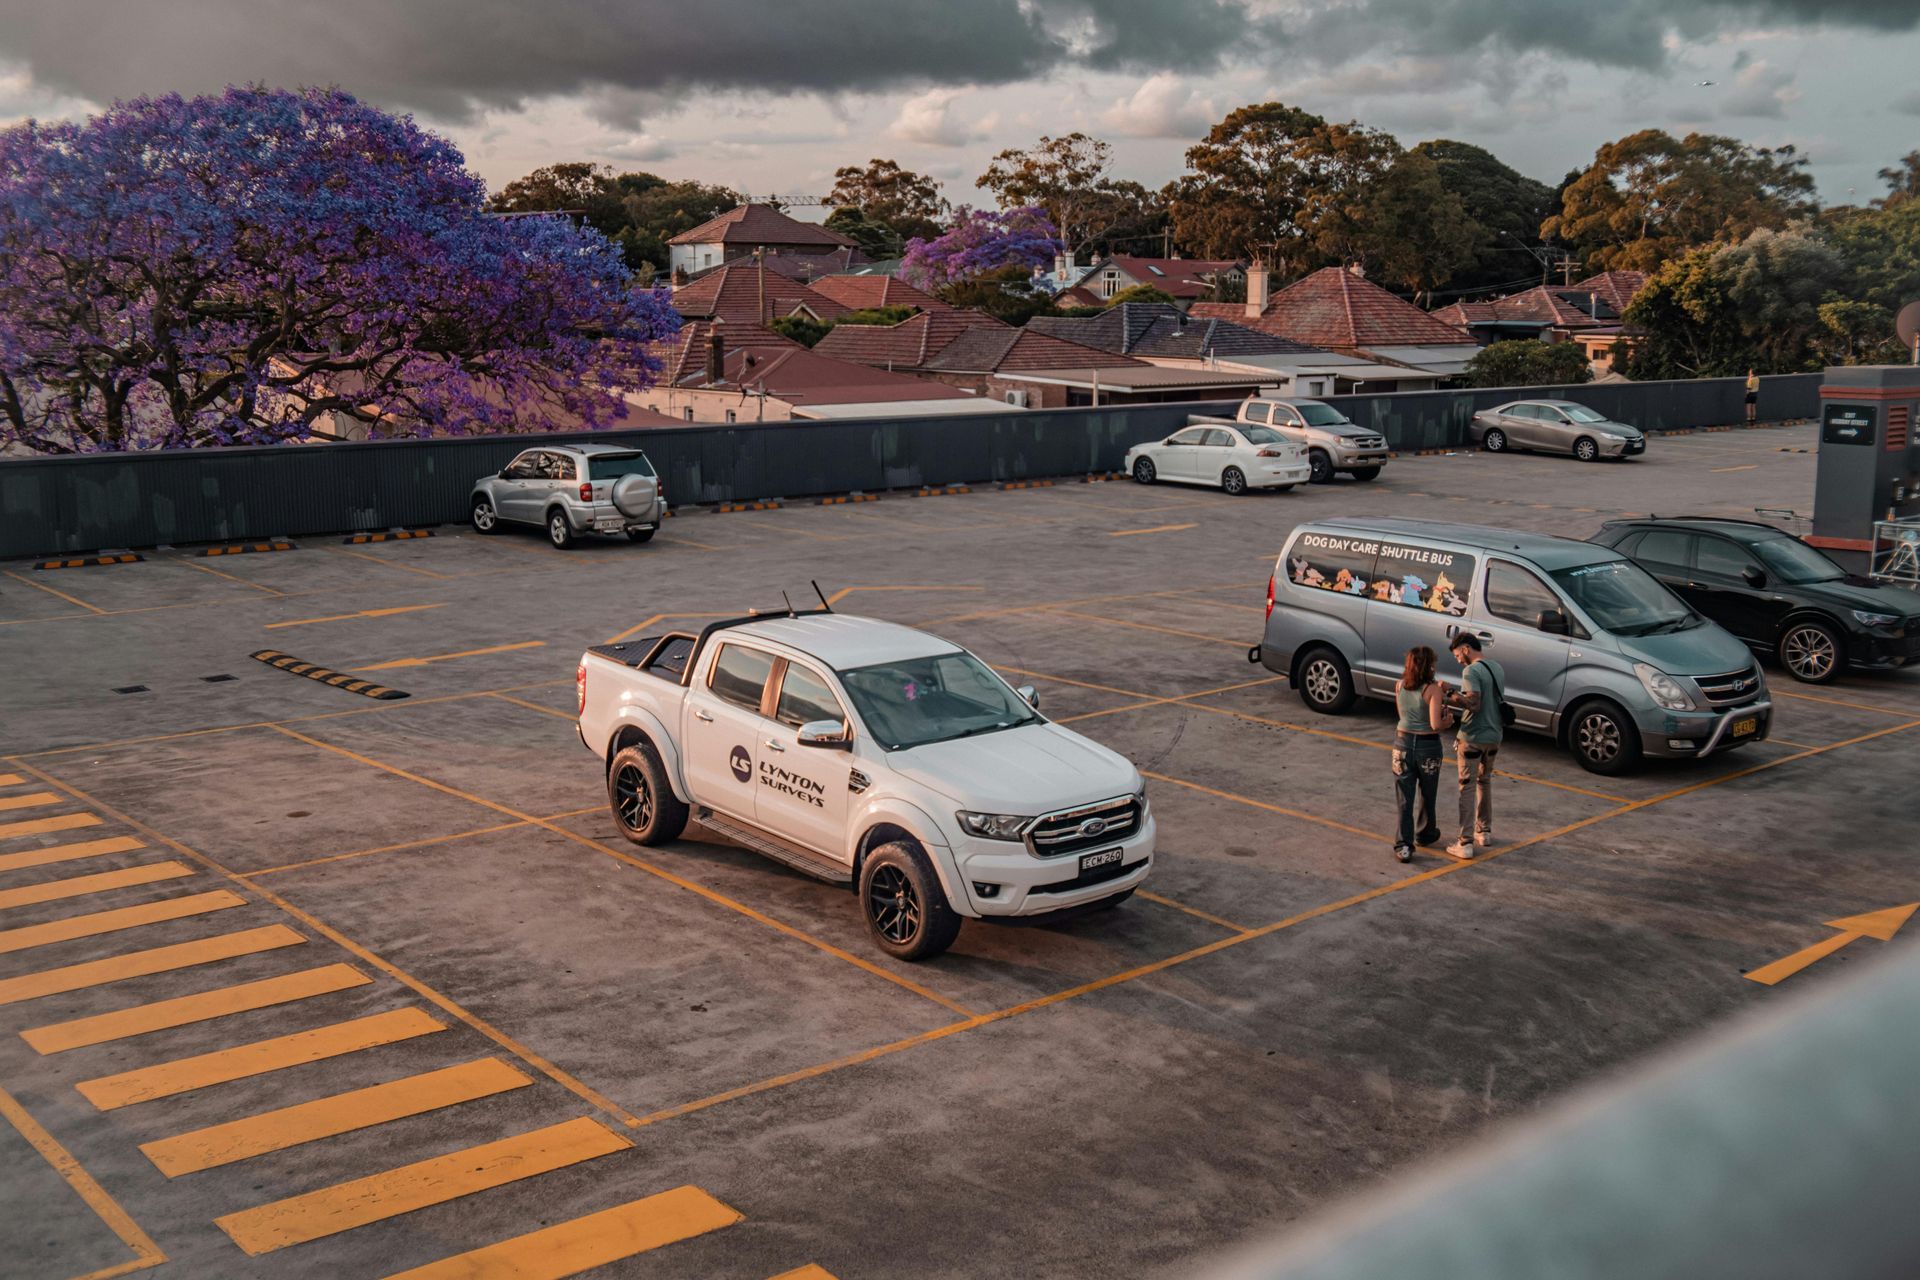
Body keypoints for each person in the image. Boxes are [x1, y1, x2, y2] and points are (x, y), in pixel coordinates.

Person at [1444, 634, 1505, 861]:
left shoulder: (1471, 672)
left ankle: (1465, 842)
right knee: (1484, 781)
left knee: (1466, 787)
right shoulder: (1497, 667)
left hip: (1472, 737)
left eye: (1458, 655)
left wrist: (1450, 693)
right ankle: (1484, 831)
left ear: (1466, 648)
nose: (1459, 660)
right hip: (1494, 735)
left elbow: (1474, 703)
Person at [1391, 645, 1452, 863]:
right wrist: (1448, 721)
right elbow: (1435, 724)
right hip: (1428, 746)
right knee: (1427, 793)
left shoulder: (1399, 686)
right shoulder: (1432, 689)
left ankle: (1403, 845)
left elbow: (1403, 716)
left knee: (1404, 797)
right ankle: (1425, 833)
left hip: (1402, 743)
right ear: (1429, 666)